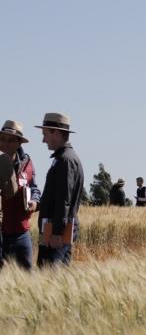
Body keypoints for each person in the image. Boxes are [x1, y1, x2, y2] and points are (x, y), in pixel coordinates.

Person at [36, 112, 84, 266]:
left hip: (55, 233)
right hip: (55, 229)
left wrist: (57, 232)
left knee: (48, 278)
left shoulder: (65, 160)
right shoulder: (66, 157)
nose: (43, 140)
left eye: (45, 134)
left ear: (55, 133)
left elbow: (64, 199)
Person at [0, 120, 40, 269]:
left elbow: (34, 188)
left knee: (28, 276)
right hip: (1, 232)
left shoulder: (27, 163)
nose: (5, 143)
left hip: (21, 233)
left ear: (19, 144)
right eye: (2, 139)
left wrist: (35, 202)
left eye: (10, 140)